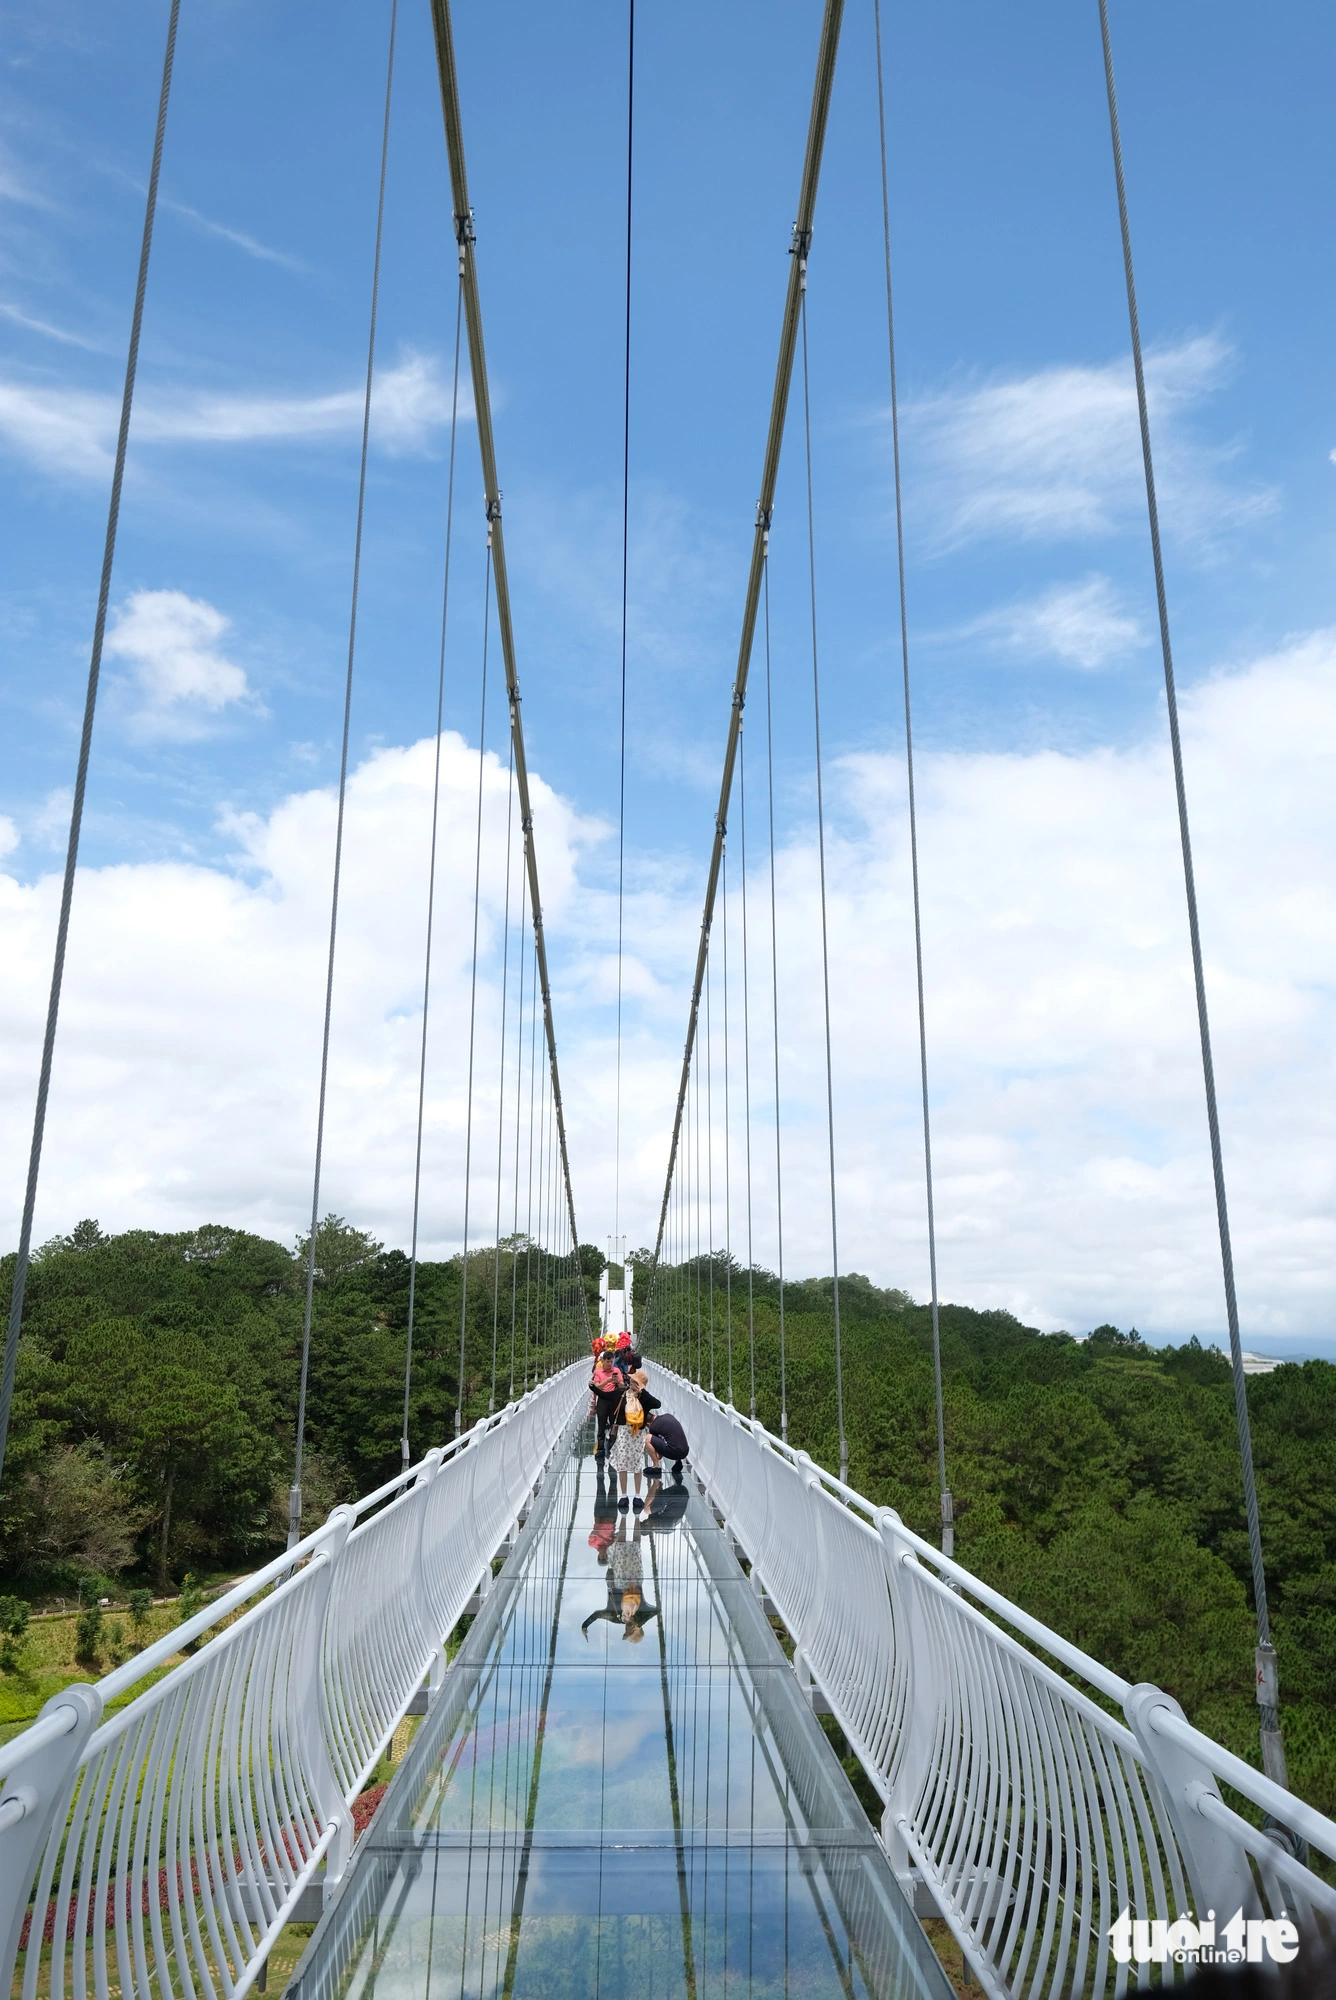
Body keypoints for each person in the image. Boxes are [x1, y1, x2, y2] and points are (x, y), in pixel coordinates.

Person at [606, 1372, 649, 1511]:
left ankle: (637, 1495)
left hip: (638, 1433)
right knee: (622, 1462)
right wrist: (594, 1387)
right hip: (624, 1432)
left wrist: (642, 1393)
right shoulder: (623, 1394)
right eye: (631, 1379)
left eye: (635, 1380)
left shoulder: (643, 1397)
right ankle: (623, 1495)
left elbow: (657, 1403)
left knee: (637, 1462)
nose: (631, 1381)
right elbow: (606, 1396)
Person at [588, 1351, 623, 1459]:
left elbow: (622, 1387)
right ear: (603, 1361)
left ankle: (613, 1447)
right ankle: (600, 1448)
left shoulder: (616, 1370)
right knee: (601, 1425)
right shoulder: (598, 1371)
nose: (610, 1364)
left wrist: (617, 1381)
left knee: (614, 1424)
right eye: (608, 1362)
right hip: (602, 1398)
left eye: (611, 1362)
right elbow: (597, 1387)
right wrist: (607, 1381)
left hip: (614, 1399)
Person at [644, 1409, 689, 1482]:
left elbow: (658, 1457)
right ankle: (678, 1462)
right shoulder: (668, 1416)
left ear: (648, 1424)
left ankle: (656, 1466)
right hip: (685, 1451)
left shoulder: (653, 1427)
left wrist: (651, 1451)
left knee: (647, 1438)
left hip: (674, 1452)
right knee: (671, 1439)